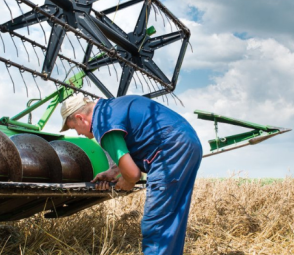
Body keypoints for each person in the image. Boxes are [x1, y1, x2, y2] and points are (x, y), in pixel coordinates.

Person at [60, 95, 202, 255]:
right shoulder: (111, 108)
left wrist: (126, 182)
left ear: (80, 118)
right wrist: (114, 171)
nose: (78, 133)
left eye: (74, 128)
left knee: (156, 224)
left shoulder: (103, 123)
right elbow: (140, 138)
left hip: (170, 149)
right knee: (171, 219)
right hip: (187, 141)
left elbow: (133, 175)